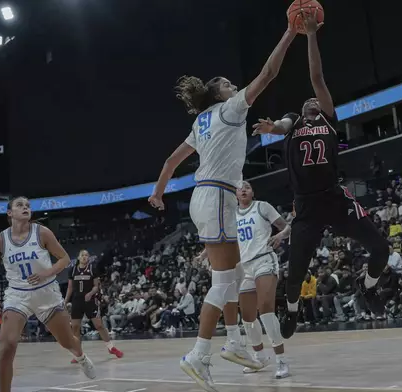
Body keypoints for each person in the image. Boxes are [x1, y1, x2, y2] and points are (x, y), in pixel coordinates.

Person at [148, 19, 297, 392]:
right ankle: (200, 352)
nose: (235, 87)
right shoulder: (230, 109)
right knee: (225, 279)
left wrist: (158, 193)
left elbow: (170, 162)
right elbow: (269, 72)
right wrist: (291, 31)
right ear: (221, 96)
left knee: (228, 276)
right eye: (229, 85)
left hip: (209, 197)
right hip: (216, 196)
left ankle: (232, 341)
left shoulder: (200, 122)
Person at [252, 10, 389, 338]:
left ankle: (367, 287)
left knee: (381, 249)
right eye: (308, 101)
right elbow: (282, 125)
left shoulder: (328, 119)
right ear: (301, 109)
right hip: (306, 206)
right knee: (295, 271)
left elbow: (317, 78)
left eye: (317, 100)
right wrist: (273, 127)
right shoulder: (293, 122)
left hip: (334, 197)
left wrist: (311, 34)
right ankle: (294, 311)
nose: (312, 100)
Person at [0, 196, 95, 392]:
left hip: (46, 293)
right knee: (7, 346)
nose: (25, 207)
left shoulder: (42, 232)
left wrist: (46, 273)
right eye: (20, 205)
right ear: (10, 213)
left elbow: (65, 259)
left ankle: (81, 356)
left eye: (27, 205)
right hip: (18, 295)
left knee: (67, 341)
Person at [235, 180, 291, 378]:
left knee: (265, 308)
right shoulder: (231, 215)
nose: (243, 189)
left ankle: (282, 360)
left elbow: (286, 227)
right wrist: (205, 254)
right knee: (247, 317)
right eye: (240, 187)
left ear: (252, 192)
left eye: (247, 187)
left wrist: (280, 236)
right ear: (235, 194)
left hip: (264, 260)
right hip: (244, 267)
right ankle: (259, 357)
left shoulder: (262, 206)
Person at [65, 249, 124, 363]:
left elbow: (96, 286)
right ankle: (78, 353)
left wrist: (90, 293)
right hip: (77, 301)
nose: (84, 257)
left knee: (99, 325)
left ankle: (111, 347)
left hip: (90, 301)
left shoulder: (93, 269)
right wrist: (65, 301)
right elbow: (70, 287)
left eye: (86, 255)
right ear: (78, 257)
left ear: (89, 258)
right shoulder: (72, 270)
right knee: (75, 327)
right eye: (82, 255)